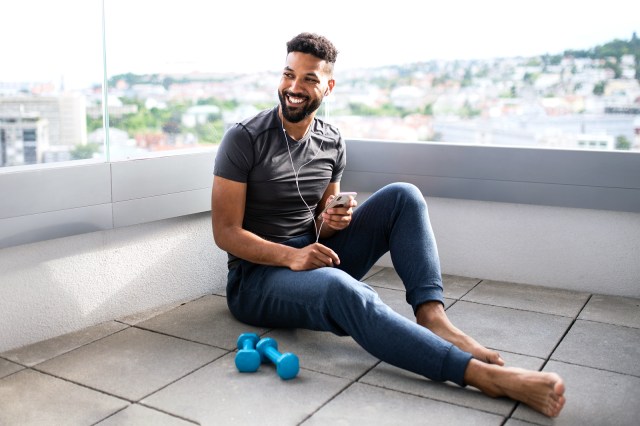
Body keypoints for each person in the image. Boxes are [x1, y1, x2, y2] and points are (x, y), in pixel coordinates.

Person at [211, 32, 565, 417]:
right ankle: (483, 377)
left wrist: (333, 220)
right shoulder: (244, 138)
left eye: (309, 79)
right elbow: (225, 233)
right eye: (288, 75)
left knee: (404, 195)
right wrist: (291, 256)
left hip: (308, 256)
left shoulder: (331, 141)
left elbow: (319, 226)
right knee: (343, 290)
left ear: (328, 87)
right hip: (255, 279)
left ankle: (432, 317)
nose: (294, 87)